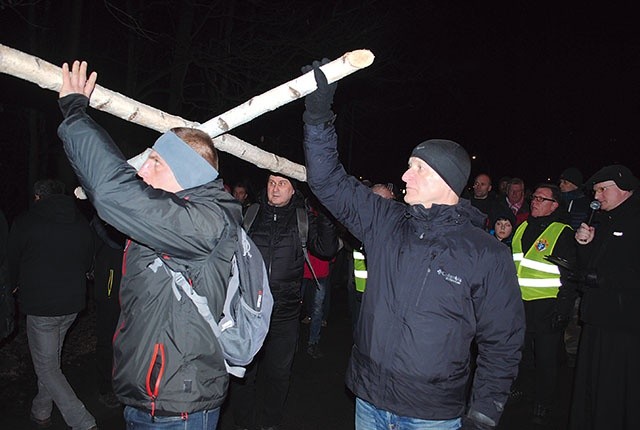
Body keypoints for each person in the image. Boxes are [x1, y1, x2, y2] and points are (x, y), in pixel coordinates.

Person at [301, 61, 524, 430]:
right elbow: (328, 181)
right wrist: (318, 115)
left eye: (417, 168)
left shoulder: (486, 254)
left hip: (431, 415)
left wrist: (483, 415)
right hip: (369, 401)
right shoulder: (385, 221)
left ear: (447, 180)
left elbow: (502, 343)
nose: (405, 176)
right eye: (408, 166)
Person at [57, 60, 240, 429]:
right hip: (148, 396)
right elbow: (118, 223)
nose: (141, 170)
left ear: (183, 171)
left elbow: (115, 192)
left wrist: (75, 111)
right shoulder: (176, 221)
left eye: (153, 161)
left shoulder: (204, 221)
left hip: (179, 405)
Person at [230, 174, 338, 430]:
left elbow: (326, 248)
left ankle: (271, 423)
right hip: (249, 312)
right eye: (271, 182)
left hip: (285, 313)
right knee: (244, 374)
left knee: (278, 375)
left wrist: (326, 214)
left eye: (282, 184)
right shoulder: (251, 214)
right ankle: (243, 423)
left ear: (293, 191)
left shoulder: (302, 219)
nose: (275, 188)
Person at [8, 179, 97, 430]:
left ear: (38, 196)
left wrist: (13, 285)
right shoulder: (80, 223)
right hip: (72, 305)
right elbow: (87, 260)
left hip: (42, 306)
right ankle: (41, 410)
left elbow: (12, 261)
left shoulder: (26, 222)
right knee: (49, 361)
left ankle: (83, 423)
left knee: (47, 367)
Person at [570, 164, 640, 430]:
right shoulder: (604, 221)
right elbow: (592, 268)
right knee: (593, 387)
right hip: (598, 317)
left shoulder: (635, 219)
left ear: (623, 187)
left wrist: (604, 280)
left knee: (618, 391)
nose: (596, 197)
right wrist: (584, 247)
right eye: (595, 191)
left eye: (602, 189)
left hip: (625, 326)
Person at [509, 184, 576, 426]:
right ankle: (522, 389)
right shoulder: (522, 226)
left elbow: (569, 277)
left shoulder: (563, 232)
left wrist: (563, 310)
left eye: (541, 199)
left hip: (547, 306)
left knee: (546, 359)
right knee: (522, 354)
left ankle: (544, 402)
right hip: (520, 305)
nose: (534, 201)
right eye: (534, 197)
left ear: (554, 205)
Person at [89, 215, 125, 409]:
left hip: (128, 289)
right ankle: (107, 388)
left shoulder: (128, 218)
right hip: (109, 290)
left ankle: (122, 384)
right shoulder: (99, 224)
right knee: (107, 338)